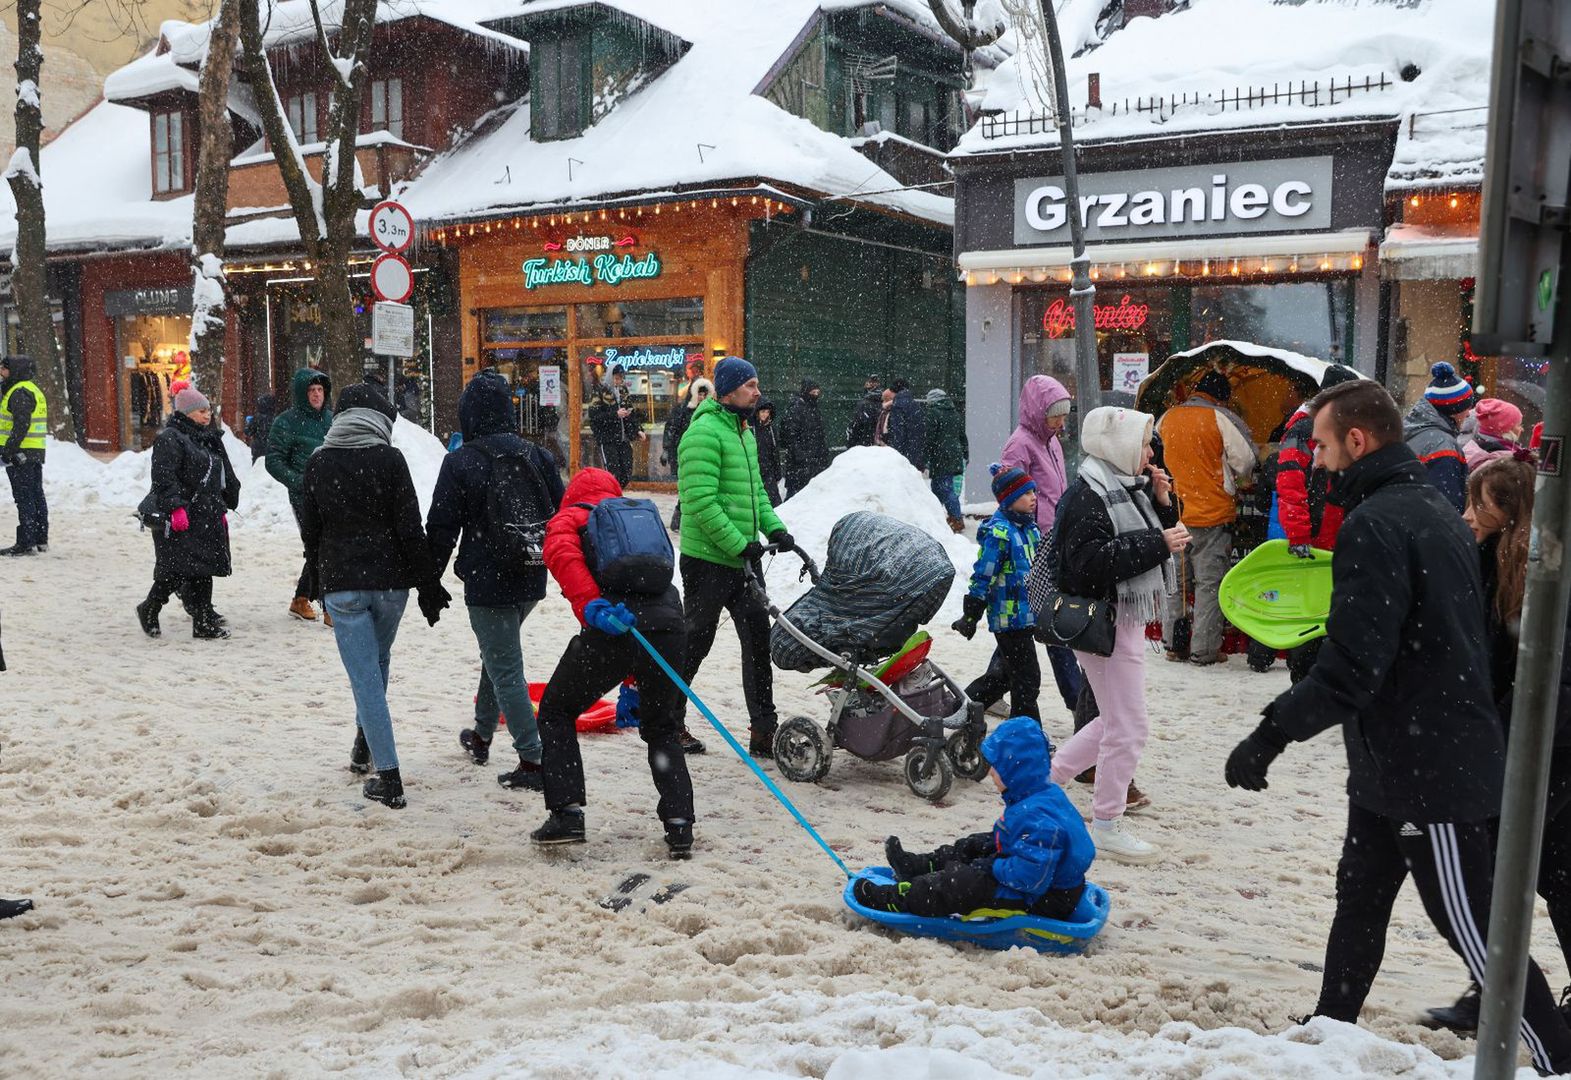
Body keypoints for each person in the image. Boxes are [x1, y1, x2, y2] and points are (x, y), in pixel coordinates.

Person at [1223, 381, 1571, 1075]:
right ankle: (1329, 1028)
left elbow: (1354, 668)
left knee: (1473, 931)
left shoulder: (1378, 523)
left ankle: (1554, 1057)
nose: (1315, 463)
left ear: (1357, 442)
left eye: (1321, 446)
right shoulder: (1430, 511)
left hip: (1428, 771)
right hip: (1393, 762)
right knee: (1358, 901)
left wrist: (1268, 735)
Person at [1426, 454, 1571, 1032]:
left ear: (1515, 516)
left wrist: (1502, 746)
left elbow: (1550, 681)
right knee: (1555, 870)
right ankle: (1491, 986)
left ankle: (1493, 989)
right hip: (1535, 741)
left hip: (1550, 745)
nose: (1465, 517)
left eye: (1477, 507)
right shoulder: (1498, 559)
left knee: (1494, 862)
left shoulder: (1548, 570)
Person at [529, 467, 695, 855]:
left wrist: (592, 606)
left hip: (614, 626)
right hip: (669, 626)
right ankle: (679, 824)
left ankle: (566, 814)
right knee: (661, 726)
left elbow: (562, 555)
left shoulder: (571, 517)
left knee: (555, 709)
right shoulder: (636, 517)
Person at [1048, 407, 1187, 864]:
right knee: (1129, 727)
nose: (1150, 454)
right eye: (1145, 444)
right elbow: (1086, 565)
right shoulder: (1089, 495)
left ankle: (1046, 781)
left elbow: (1153, 531)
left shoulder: (1124, 488)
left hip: (1122, 620)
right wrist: (1158, 543)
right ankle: (1106, 823)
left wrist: (1165, 504)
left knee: (1114, 721)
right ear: (1119, 446)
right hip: (1104, 621)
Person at [300, 383, 449, 810]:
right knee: (376, 667)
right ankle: (364, 745)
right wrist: (427, 585)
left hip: (344, 586)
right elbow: (409, 528)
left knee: (366, 678)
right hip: (390, 586)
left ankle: (390, 778)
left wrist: (319, 576)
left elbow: (310, 533)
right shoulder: (390, 459)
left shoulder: (318, 463)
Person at [426, 371, 564, 791]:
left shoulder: (462, 460)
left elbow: (442, 528)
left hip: (487, 579)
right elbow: (563, 512)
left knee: (506, 667)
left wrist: (429, 580)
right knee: (498, 653)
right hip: (531, 570)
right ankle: (482, 734)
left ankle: (534, 761)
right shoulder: (536, 455)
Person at [854, 716, 1094, 918]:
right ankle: (917, 865)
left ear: (1015, 771)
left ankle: (897, 899)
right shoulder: (1038, 793)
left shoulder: (1038, 819)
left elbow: (1030, 877)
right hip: (1036, 876)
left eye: (997, 767)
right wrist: (990, 859)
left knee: (960, 884)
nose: (990, 772)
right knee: (976, 845)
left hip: (1042, 898)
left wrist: (993, 867)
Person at [676, 355, 792, 758]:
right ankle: (668, 718)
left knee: (759, 642)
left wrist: (774, 528)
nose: (758, 392)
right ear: (728, 391)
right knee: (697, 640)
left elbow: (757, 493)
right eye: (750, 385)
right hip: (708, 560)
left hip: (743, 559)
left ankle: (763, 730)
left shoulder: (744, 433)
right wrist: (738, 544)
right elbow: (701, 503)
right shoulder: (703, 434)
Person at [1156, 370, 1255, 666]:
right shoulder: (1221, 418)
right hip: (1211, 513)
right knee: (1209, 584)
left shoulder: (1167, 417)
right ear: (1221, 397)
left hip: (1175, 513)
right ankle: (1204, 650)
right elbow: (1245, 460)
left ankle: (1174, 643)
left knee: (1176, 582)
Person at [1271, 364, 1361, 682]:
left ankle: (1320, 677)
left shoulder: (1335, 425)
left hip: (1335, 534)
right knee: (1311, 612)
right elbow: (1290, 483)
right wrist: (1298, 534)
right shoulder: (1304, 428)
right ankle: (1306, 678)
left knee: (1329, 609)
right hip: (1315, 535)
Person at [1000, 375, 1081, 711]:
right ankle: (1077, 700)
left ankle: (989, 688)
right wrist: (1028, 536)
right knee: (1049, 621)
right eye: (1054, 414)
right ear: (1036, 411)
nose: (1061, 422)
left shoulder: (1052, 441)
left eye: (1064, 414)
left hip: (1052, 543)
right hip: (1033, 548)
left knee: (1023, 626)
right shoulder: (1019, 445)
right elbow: (1008, 497)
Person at [136, 387, 241, 641]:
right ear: (187, 412)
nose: (207, 416)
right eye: (202, 411)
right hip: (185, 514)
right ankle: (151, 606)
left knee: (203, 568)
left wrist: (224, 503)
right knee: (178, 569)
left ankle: (203, 622)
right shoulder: (171, 438)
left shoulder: (207, 437)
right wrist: (176, 507)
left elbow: (221, 475)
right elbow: (163, 477)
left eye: (208, 411)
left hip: (207, 513)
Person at [951, 464, 1042, 722]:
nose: (1033, 497)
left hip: (1027, 615)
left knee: (1003, 677)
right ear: (1010, 499)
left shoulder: (1030, 530)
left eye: (1034, 491)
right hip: (1009, 619)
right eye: (1026, 493)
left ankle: (960, 710)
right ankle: (1026, 737)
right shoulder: (1000, 533)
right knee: (1027, 680)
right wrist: (971, 614)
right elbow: (983, 575)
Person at [267, 368, 333, 622]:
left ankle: (301, 598)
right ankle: (329, 607)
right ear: (301, 394)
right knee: (319, 546)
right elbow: (273, 461)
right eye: (311, 390)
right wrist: (298, 482)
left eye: (320, 390)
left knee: (324, 546)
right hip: (303, 495)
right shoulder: (286, 422)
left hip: (331, 491)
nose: (316, 395)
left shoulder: (331, 419)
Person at [1403, 361, 1476, 512]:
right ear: (1454, 410)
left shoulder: (1410, 429)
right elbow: (1446, 509)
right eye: (1466, 407)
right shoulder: (1443, 446)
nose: (1469, 413)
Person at [0, 355, 48, 556]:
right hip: (32, 452)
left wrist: (9, 450)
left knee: (24, 497)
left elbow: (21, 424)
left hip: (21, 453)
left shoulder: (19, 392)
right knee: (35, 495)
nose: (1, 372)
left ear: (16, 370)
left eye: (4, 368)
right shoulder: (30, 389)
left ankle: (26, 542)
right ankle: (39, 538)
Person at [661, 377, 712, 531]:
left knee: (698, 488)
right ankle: (679, 519)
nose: (702, 398)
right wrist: (666, 449)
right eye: (700, 394)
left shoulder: (710, 413)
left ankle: (687, 520)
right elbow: (672, 429)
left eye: (705, 394)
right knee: (688, 487)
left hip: (704, 455)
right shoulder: (683, 410)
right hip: (685, 454)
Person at [588, 364, 645, 486]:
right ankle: (613, 497)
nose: (618, 381)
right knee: (613, 472)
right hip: (608, 439)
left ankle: (618, 494)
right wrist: (615, 415)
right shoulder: (599, 391)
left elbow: (631, 412)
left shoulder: (623, 390)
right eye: (616, 378)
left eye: (620, 378)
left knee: (627, 470)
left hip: (623, 439)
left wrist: (637, 429)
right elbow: (594, 416)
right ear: (610, 377)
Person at [922, 388, 968, 532]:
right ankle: (937, 516)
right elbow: (962, 436)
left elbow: (929, 437)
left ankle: (956, 518)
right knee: (939, 487)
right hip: (954, 454)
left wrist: (924, 457)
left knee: (943, 488)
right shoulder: (954, 413)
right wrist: (965, 453)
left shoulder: (933, 413)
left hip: (941, 456)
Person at [779, 379, 829, 497]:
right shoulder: (797, 409)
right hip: (800, 465)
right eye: (813, 392)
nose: (816, 395)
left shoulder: (813, 409)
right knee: (796, 496)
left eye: (817, 393)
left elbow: (819, 435)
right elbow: (790, 435)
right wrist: (801, 455)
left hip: (811, 462)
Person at [1462, 397, 1525, 471]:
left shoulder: (1477, 446)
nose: (1522, 429)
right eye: (1518, 425)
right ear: (1504, 428)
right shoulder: (1499, 458)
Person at [882, 378, 925, 470]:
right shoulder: (915, 404)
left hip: (903, 453)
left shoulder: (897, 405)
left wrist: (896, 452)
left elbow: (897, 432)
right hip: (914, 451)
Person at [753, 398, 784, 507]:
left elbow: (775, 452)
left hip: (769, 471)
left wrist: (777, 472)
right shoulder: (751, 429)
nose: (765, 415)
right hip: (755, 470)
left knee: (774, 501)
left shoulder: (771, 430)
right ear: (757, 412)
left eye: (767, 412)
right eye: (762, 412)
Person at [846, 375, 882, 448]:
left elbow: (857, 423)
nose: (871, 384)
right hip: (871, 437)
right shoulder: (871, 399)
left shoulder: (865, 403)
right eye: (870, 382)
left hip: (865, 437)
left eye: (874, 382)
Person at [243, 392, 275, 463]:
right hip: (271, 450)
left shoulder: (256, 418)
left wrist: (248, 424)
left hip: (258, 450)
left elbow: (248, 431)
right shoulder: (275, 419)